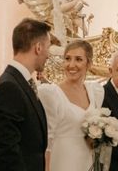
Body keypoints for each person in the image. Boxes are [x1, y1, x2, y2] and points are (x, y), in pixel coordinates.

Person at [0, 18, 51, 171]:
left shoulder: (20, 82)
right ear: (38, 48)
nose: (49, 55)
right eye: (48, 47)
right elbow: (8, 151)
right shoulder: (9, 87)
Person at [39, 40, 103, 171]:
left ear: (89, 64)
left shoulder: (96, 92)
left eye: (78, 59)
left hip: (87, 163)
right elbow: (46, 142)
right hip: (61, 162)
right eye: (67, 59)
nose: (71, 65)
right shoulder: (51, 94)